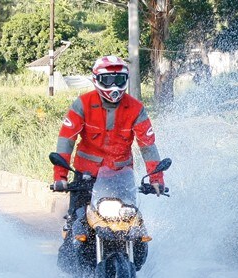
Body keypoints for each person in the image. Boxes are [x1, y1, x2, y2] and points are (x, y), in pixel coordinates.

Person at [51, 55, 166, 224]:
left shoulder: (136, 108)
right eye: (108, 80)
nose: (114, 86)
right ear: (96, 79)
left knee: (135, 226)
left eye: (119, 80)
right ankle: (71, 243)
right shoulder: (82, 104)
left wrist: (156, 179)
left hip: (120, 177)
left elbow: (148, 146)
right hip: (86, 177)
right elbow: (66, 140)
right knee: (76, 225)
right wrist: (60, 177)